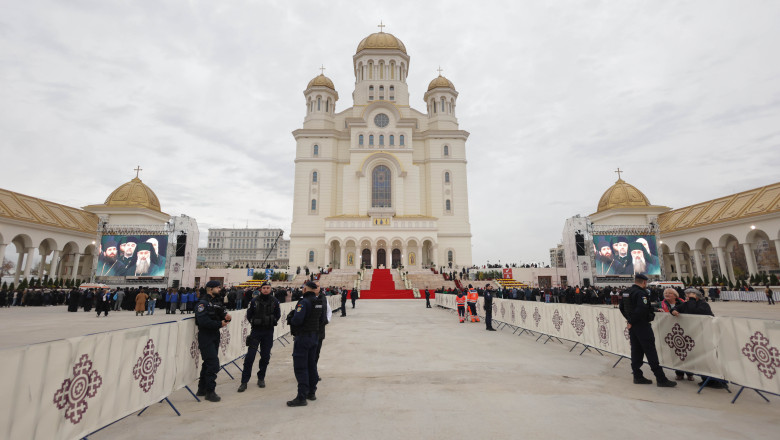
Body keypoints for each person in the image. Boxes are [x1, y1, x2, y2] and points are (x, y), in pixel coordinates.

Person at [619, 274, 676, 387]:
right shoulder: (641, 293)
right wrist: (632, 321)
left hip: (634, 326)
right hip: (642, 325)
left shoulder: (626, 291)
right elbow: (641, 309)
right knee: (650, 351)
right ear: (644, 282)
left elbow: (622, 307)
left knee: (636, 351)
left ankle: (637, 375)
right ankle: (661, 378)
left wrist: (630, 320)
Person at [287, 280, 325, 407]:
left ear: (304, 289)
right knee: (311, 364)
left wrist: (291, 318)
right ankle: (311, 392)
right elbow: (322, 319)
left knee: (301, 366)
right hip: (314, 336)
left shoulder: (304, 302)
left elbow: (297, 320)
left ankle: (301, 396)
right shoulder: (319, 302)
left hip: (303, 336)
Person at [238, 281, 281, 392]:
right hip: (256, 332)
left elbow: (278, 314)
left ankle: (261, 378)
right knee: (249, 357)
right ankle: (244, 381)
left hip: (268, 332)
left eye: (268, 287)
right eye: (264, 288)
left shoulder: (275, 301)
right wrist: (254, 322)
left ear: (270, 289)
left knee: (265, 357)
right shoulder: (254, 301)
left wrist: (272, 321)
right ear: (261, 289)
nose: (266, 289)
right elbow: (249, 314)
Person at [195, 281, 231, 402]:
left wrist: (226, 318)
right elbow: (203, 321)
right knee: (213, 364)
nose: (220, 289)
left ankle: (202, 388)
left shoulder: (216, 302)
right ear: (210, 289)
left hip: (215, 334)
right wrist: (219, 324)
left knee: (208, 363)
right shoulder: (202, 303)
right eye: (217, 287)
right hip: (206, 335)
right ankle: (210, 391)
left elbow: (220, 315)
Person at [656, 288, 693, 381]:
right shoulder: (661, 303)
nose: (667, 294)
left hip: (684, 330)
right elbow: (650, 307)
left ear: (675, 295)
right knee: (675, 353)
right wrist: (657, 309)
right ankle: (679, 373)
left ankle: (690, 373)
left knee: (687, 353)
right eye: (665, 293)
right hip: (671, 331)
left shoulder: (683, 303)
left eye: (669, 293)